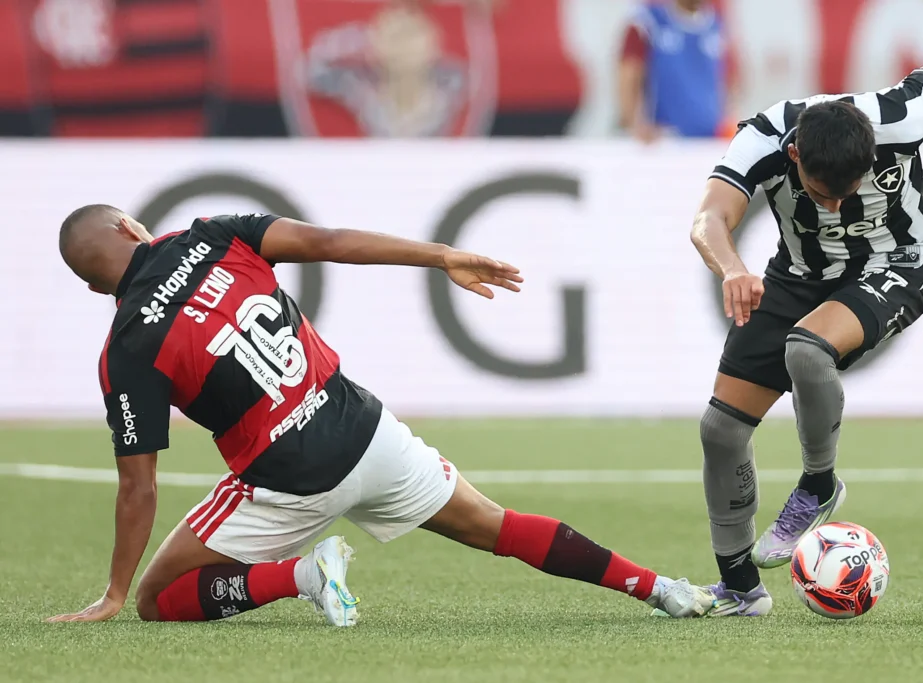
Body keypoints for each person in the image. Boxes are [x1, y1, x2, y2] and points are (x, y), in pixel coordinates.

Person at [48, 208, 708, 626]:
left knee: (158, 598)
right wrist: (441, 254)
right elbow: (331, 241)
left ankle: (303, 574)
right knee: (497, 525)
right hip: (366, 430)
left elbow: (139, 485)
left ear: (94, 286)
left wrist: (114, 591)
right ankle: (660, 588)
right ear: (130, 226)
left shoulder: (126, 350)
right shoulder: (214, 235)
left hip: (288, 480)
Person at [684, 53, 923, 616]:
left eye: (847, 192)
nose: (833, 206)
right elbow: (708, 219)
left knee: (807, 348)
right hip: (799, 274)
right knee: (721, 430)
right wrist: (732, 268)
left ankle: (818, 485)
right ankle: (740, 589)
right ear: (795, 155)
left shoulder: (900, 116)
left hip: (897, 261)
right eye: (819, 192)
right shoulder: (764, 137)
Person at [618, 0, 727, 143]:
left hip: (708, 139)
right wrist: (633, 124)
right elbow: (629, 74)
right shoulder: (649, 22)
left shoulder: (716, 25)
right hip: (664, 139)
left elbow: (725, 82)